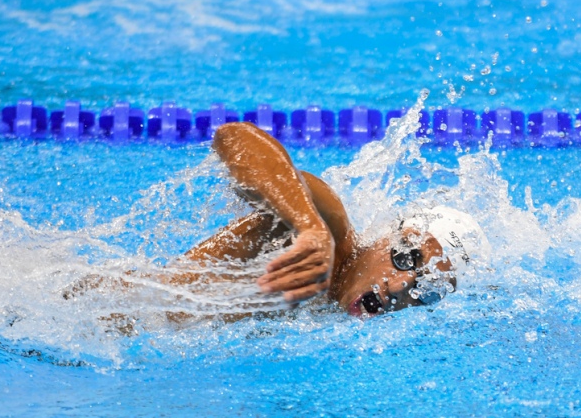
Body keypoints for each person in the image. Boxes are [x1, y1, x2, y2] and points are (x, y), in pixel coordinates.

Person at [67, 121, 484, 317]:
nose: (399, 287)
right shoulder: (330, 229)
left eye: (425, 290)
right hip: (81, 314)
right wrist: (309, 226)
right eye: (407, 259)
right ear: (387, 238)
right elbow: (235, 139)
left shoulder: (330, 317)